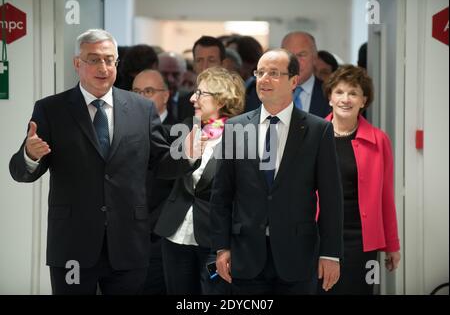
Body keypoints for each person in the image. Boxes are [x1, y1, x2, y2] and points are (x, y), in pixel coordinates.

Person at [8, 29, 197, 295]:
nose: (103, 67)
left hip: (128, 243)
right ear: (77, 64)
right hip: (72, 243)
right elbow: (20, 172)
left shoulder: (141, 109)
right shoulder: (51, 109)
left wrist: (186, 154)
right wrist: (30, 154)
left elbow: (161, 163)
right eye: (94, 59)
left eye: (109, 60)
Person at [210, 49, 343, 295]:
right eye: (260, 73)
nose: (263, 80)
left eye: (273, 73)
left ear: (294, 81)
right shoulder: (236, 127)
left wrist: (330, 253)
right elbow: (221, 195)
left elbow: (331, 198)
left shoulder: (318, 130)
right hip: (245, 255)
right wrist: (221, 247)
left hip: (298, 256)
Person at [154, 67, 245, 294]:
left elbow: (243, 194)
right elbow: (162, 170)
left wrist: (231, 242)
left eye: (201, 93)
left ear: (222, 99)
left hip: (216, 239)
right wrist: (186, 155)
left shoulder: (241, 135)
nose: (193, 98)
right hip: (175, 233)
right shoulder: (186, 126)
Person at [320, 64, 400, 295]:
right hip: (319, 237)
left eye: (353, 93)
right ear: (330, 98)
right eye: (339, 92)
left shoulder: (379, 140)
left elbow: (386, 197)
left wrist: (392, 245)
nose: (346, 99)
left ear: (363, 101)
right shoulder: (312, 135)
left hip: (363, 242)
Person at [131, 69, 175, 294]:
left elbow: (178, 191)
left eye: (148, 91)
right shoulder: (121, 130)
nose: (141, 97)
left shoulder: (181, 132)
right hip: (126, 236)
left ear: (165, 96)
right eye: (136, 91)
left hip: (160, 237)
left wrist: (149, 226)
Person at [281, 31, 330, 117]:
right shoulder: (265, 92)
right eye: (289, 55)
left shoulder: (329, 93)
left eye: (301, 55)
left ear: (315, 58)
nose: (294, 62)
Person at [177, 36, 225, 122]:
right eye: (199, 60)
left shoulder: (236, 102)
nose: (205, 67)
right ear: (194, 65)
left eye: (211, 60)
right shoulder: (183, 104)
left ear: (222, 64)